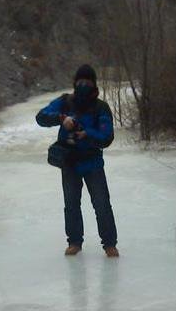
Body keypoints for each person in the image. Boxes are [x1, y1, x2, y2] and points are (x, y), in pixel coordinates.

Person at [36, 64, 118, 256]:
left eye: (87, 82)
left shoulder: (101, 107)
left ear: (94, 84)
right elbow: (40, 117)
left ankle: (109, 244)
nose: (83, 85)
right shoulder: (65, 102)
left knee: (102, 204)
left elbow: (107, 137)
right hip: (69, 163)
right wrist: (61, 118)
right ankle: (74, 242)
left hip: (93, 163)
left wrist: (86, 134)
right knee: (71, 204)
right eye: (80, 81)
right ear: (75, 82)